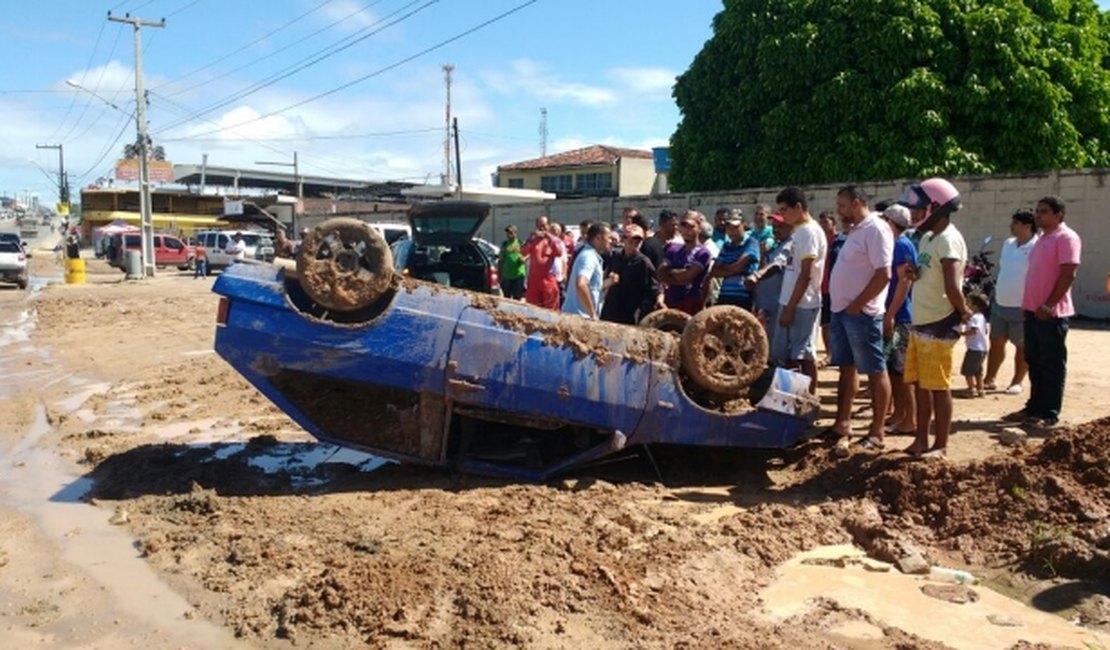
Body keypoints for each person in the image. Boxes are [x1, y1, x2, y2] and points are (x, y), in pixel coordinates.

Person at [898, 177, 970, 458]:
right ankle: (920, 440)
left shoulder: (949, 241)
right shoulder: (928, 238)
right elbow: (931, 276)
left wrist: (963, 312)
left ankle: (940, 445)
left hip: (939, 323)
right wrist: (915, 276)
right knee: (921, 386)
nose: (914, 214)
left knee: (938, 387)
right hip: (921, 322)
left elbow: (952, 286)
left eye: (919, 208)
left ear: (937, 207)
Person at [826, 186, 893, 449]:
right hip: (843, 311)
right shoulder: (857, 230)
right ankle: (842, 423)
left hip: (861, 314)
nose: (839, 212)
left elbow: (884, 274)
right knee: (846, 367)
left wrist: (858, 304)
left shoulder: (876, 229)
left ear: (856, 203)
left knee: (875, 370)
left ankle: (876, 433)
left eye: (842, 206)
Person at [1013, 196, 1082, 429]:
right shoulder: (1041, 238)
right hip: (1032, 312)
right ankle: (1034, 407)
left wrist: (1049, 305)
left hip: (1051, 314)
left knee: (1051, 365)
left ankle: (1049, 413)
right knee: (1034, 360)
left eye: (1043, 211)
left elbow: (1068, 275)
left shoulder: (1067, 238)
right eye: (1037, 210)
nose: (1037, 215)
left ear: (1058, 215)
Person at [773, 187, 826, 394]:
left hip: (803, 304)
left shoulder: (809, 232)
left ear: (799, 206)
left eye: (785, 210)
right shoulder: (799, 231)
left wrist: (791, 308)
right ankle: (791, 401)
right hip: (791, 301)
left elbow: (806, 274)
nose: (782, 215)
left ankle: (807, 403)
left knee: (802, 356)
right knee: (789, 356)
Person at [983, 209, 1037, 395]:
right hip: (1000, 302)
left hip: (1022, 306)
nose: (1011, 226)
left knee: (1022, 346)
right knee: (996, 342)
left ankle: (1017, 382)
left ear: (1027, 226)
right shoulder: (1008, 244)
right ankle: (990, 379)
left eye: (1015, 223)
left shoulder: (1037, 246)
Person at [881, 204, 918, 435]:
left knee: (901, 370)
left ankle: (910, 419)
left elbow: (905, 283)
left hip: (900, 317)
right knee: (892, 368)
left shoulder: (902, 245)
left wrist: (890, 314)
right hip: (893, 314)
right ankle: (898, 413)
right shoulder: (895, 244)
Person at [747, 213, 794, 351]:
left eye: (780, 226)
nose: (776, 230)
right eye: (774, 227)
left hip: (778, 305)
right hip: (766, 305)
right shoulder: (775, 245)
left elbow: (777, 265)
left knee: (779, 350)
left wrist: (756, 276)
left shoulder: (790, 245)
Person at [600, 225, 659, 324]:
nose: (634, 246)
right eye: (631, 242)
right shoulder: (615, 258)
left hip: (630, 314)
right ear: (624, 240)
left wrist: (641, 311)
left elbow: (653, 289)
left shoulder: (643, 262)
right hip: (610, 311)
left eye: (637, 243)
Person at [657, 210, 712, 315]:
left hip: (691, 305)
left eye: (691, 226)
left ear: (699, 228)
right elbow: (660, 273)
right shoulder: (672, 249)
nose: (687, 230)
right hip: (670, 303)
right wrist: (677, 276)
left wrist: (670, 273)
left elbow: (687, 276)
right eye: (684, 225)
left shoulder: (703, 253)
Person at [562, 222, 613, 320]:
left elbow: (592, 287)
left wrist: (609, 282)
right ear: (598, 238)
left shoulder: (591, 256)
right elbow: (581, 284)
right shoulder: (589, 257)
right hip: (579, 319)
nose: (611, 241)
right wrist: (592, 314)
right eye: (608, 237)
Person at [711, 212, 760, 310]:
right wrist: (733, 270)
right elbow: (714, 271)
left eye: (735, 227)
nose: (732, 231)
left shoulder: (751, 243)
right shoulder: (726, 246)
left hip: (743, 296)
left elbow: (738, 267)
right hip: (725, 295)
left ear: (743, 225)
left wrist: (724, 269)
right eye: (729, 228)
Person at [818, 210, 847, 367]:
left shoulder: (842, 241)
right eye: (821, 222)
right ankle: (830, 354)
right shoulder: (820, 241)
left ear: (834, 224)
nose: (823, 225)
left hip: (837, 288)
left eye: (826, 222)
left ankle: (839, 353)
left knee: (837, 323)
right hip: (822, 288)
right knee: (825, 324)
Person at [520, 215, 565, 310]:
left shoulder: (553, 240)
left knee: (551, 308)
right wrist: (532, 239)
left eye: (544, 225)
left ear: (548, 226)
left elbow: (559, 252)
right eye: (539, 225)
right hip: (534, 280)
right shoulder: (532, 240)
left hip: (548, 279)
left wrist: (549, 236)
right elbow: (523, 251)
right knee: (533, 308)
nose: (542, 228)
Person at [961, 294, 990, 398]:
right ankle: (980, 389)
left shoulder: (974, 317)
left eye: (969, 303)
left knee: (968, 370)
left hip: (974, 349)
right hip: (982, 348)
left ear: (975, 306)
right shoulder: (982, 317)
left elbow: (974, 331)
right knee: (978, 370)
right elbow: (985, 330)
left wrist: (962, 334)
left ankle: (971, 389)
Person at [499, 225, 526, 300]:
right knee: (507, 297)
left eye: (511, 232)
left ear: (515, 233)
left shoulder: (521, 243)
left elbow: (528, 254)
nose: (509, 234)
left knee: (517, 297)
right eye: (507, 233)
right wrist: (500, 275)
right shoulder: (504, 244)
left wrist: (524, 258)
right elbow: (501, 260)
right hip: (507, 275)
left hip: (518, 274)